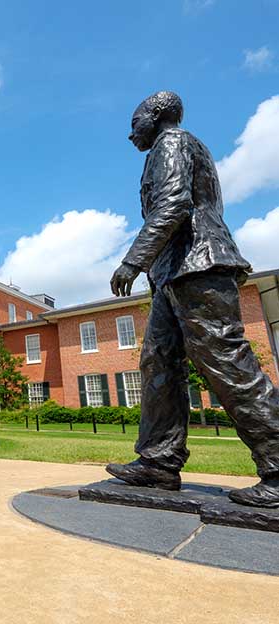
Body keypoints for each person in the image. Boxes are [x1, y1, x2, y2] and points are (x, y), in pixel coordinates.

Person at [107, 91, 279, 508]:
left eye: (135, 122)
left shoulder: (173, 143)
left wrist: (132, 262)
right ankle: (159, 462)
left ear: (156, 115)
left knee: (226, 362)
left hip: (199, 266)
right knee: (158, 363)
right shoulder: (166, 148)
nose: (131, 134)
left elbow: (174, 205)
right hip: (172, 272)